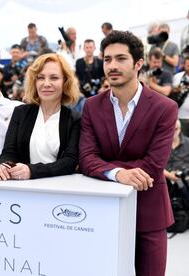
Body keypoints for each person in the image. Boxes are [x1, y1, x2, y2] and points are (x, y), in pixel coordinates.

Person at [79, 31, 178, 276]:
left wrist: (107, 167)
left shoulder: (165, 108)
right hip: (104, 214)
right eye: (107, 59)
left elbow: (154, 166)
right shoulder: (92, 106)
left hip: (149, 213)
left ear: (138, 63)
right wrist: (118, 173)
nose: (112, 65)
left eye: (120, 58)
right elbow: (87, 158)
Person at [0, 53, 80, 180]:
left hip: (59, 189)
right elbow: (9, 153)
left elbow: (70, 161)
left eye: (54, 78)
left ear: (65, 82)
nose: (46, 83)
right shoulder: (20, 112)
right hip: (22, 188)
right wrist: (3, 166)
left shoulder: (75, 119)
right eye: (40, 77)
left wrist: (32, 171)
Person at [173, 56, 189, 136]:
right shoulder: (177, 77)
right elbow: (171, 95)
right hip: (180, 117)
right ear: (184, 65)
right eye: (188, 66)